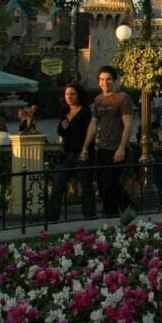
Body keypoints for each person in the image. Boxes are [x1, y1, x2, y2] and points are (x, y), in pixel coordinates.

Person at [81, 65, 135, 220]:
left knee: (112, 183)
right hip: (102, 147)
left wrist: (122, 148)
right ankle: (115, 213)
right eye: (102, 80)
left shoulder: (123, 98)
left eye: (109, 79)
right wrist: (85, 147)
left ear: (114, 80)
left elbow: (128, 124)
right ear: (98, 82)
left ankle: (122, 211)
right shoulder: (98, 100)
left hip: (117, 148)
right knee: (103, 185)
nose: (105, 83)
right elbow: (93, 124)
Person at [47, 82, 96, 221]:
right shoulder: (64, 111)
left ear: (79, 95)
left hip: (82, 154)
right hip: (67, 154)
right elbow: (62, 132)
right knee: (57, 186)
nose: (69, 97)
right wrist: (62, 127)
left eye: (72, 94)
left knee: (86, 187)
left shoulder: (86, 112)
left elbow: (89, 132)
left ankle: (89, 215)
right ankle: (51, 217)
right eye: (67, 94)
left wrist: (85, 149)